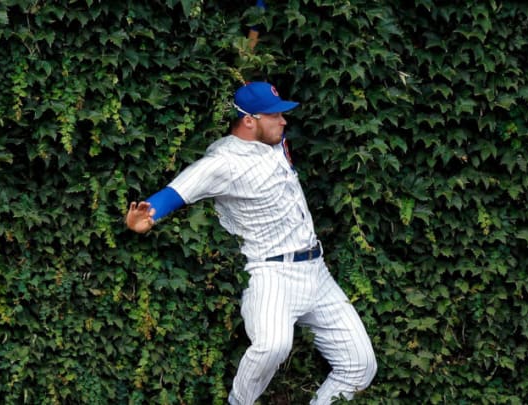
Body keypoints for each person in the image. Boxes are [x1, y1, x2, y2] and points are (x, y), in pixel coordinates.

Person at [126, 82, 377, 404]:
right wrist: (146, 216)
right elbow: (179, 191)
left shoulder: (273, 141)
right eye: (275, 116)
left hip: (317, 271)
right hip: (270, 273)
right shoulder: (224, 162)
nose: (284, 122)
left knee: (360, 366)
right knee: (273, 345)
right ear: (248, 120)